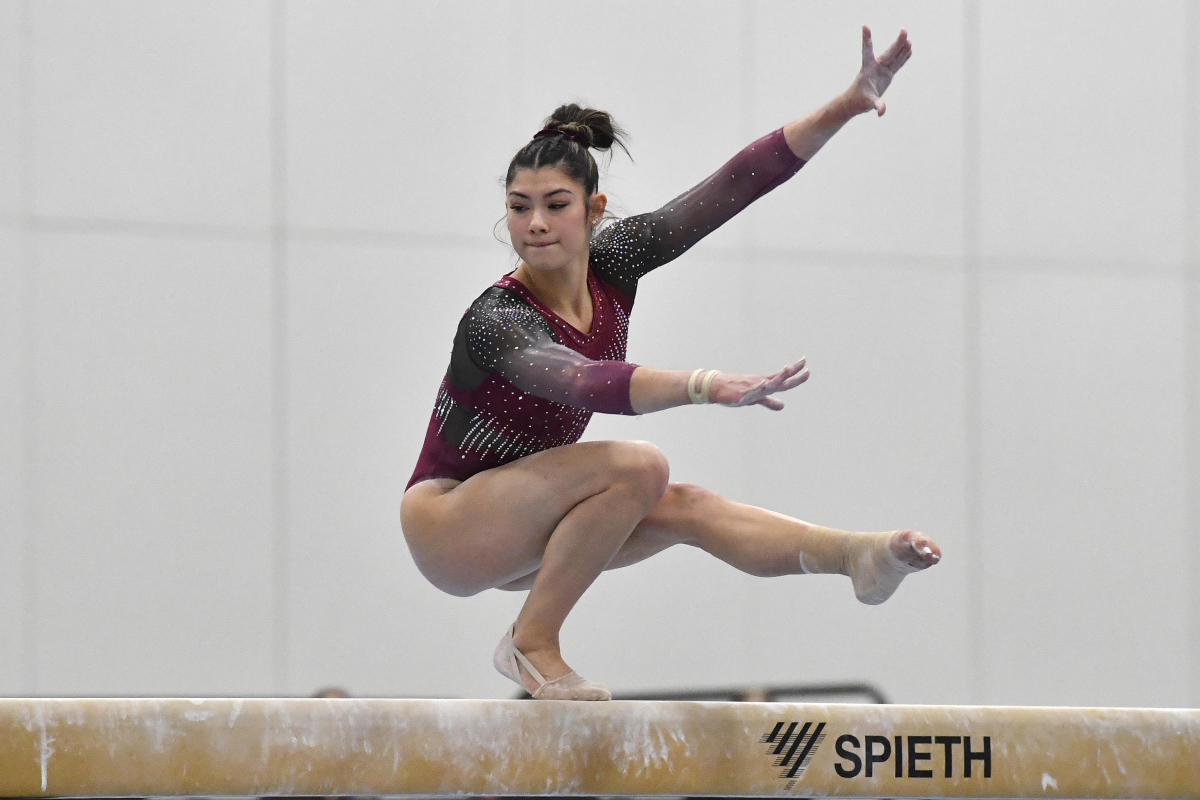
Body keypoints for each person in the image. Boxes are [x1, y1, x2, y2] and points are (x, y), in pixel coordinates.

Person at [400, 26, 939, 701]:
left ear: (594, 211)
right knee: (639, 466)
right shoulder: (497, 321)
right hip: (450, 523)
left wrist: (848, 103)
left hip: (532, 523)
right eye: (519, 208)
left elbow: (735, 185)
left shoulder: (618, 261)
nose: (536, 223)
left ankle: (852, 555)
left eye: (556, 206)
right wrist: (705, 386)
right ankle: (531, 642)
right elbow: (582, 379)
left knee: (686, 505)